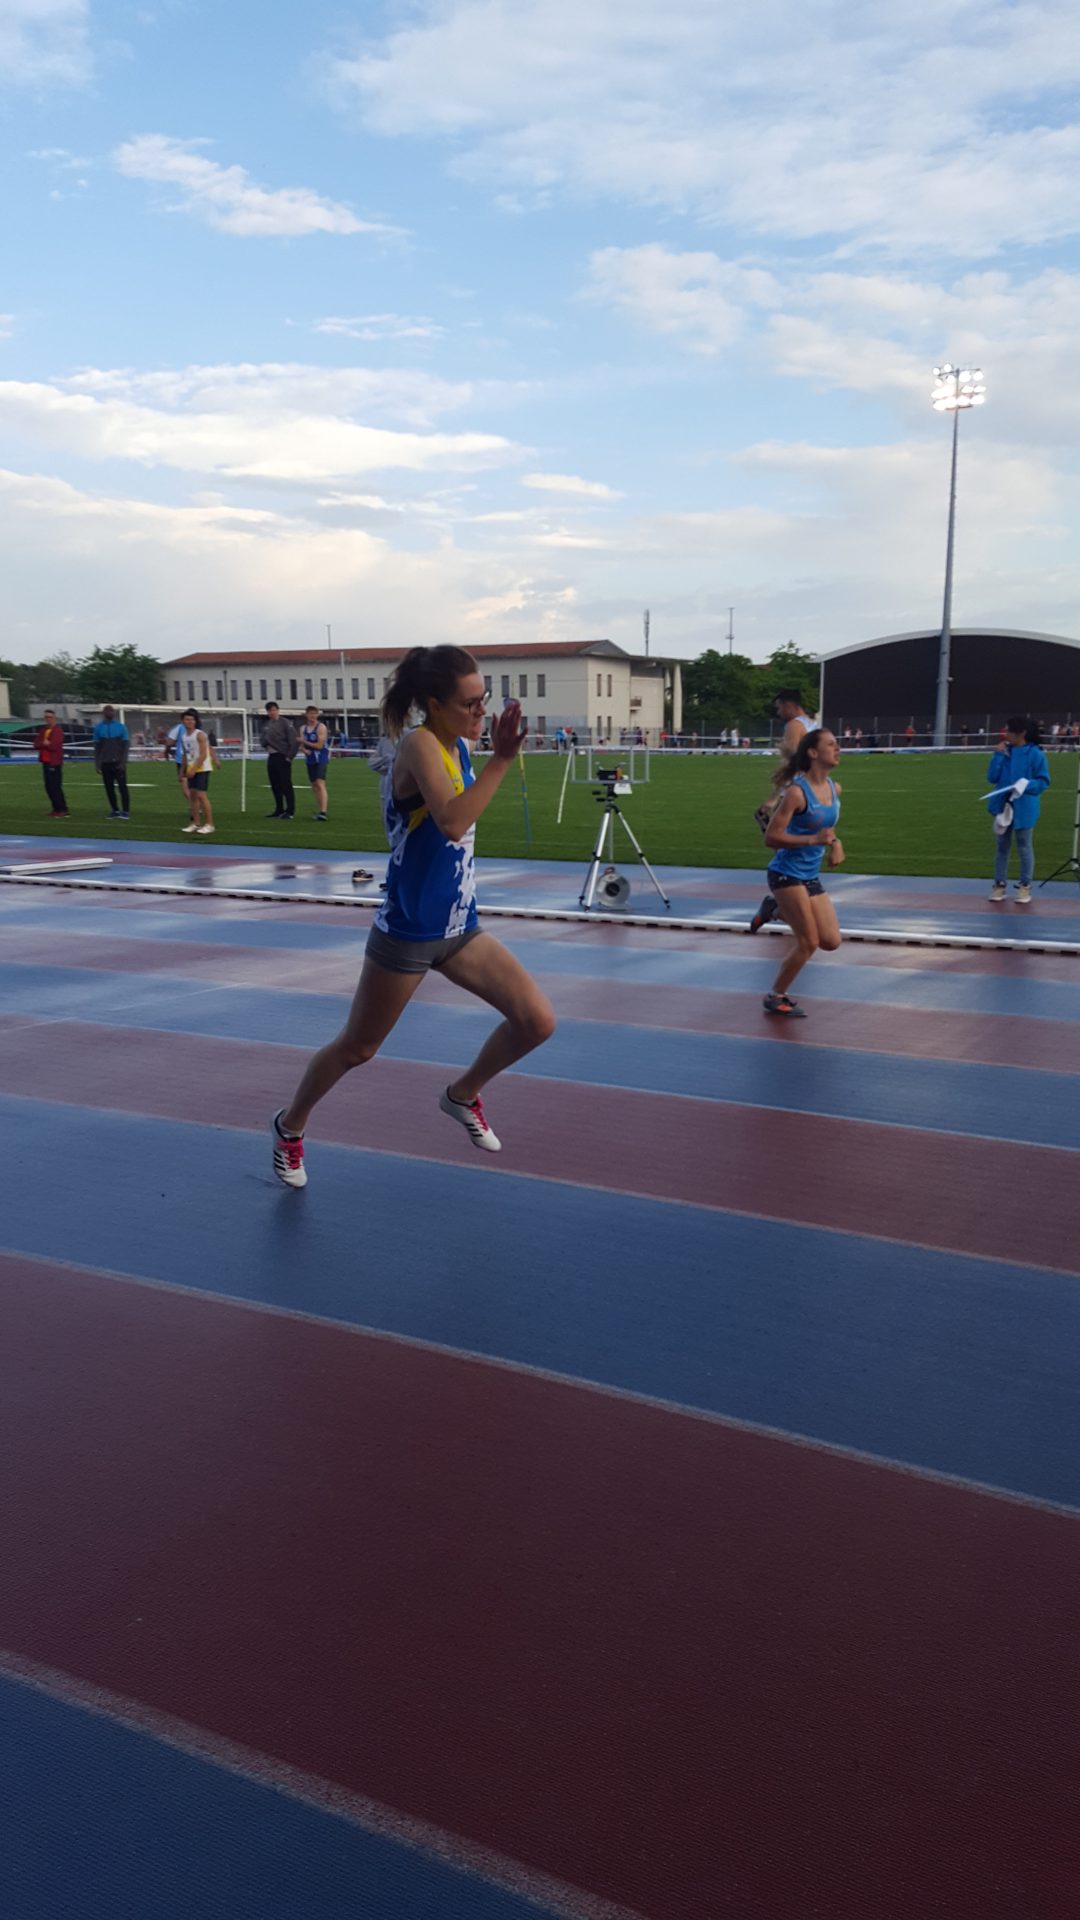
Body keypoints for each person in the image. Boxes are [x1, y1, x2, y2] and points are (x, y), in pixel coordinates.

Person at [270, 645, 556, 1188]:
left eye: (484, 699)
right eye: (469, 703)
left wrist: (488, 752)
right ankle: (289, 1126)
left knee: (536, 1021)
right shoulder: (419, 744)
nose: (480, 711)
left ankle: (461, 1095)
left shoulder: (458, 745)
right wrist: (501, 760)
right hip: (408, 930)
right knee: (358, 1048)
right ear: (433, 704)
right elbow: (451, 822)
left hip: (459, 927)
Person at [760, 728, 844, 1017]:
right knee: (808, 942)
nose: (838, 749)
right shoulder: (797, 793)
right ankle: (775, 995)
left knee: (831, 941)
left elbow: (827, 827)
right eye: (831, 744)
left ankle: (774, 909)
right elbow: (771, 837)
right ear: (813, 752)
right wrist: (813, 840)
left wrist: (835, 844)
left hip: (810, 876)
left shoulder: (834, 788)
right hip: (785, 874)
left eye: (837, 744)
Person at [749, 688, 815, 933]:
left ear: (788, 704)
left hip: (798, 798)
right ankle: (786, 904)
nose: (777, 713)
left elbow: (791, 767)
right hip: (810, 797)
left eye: (779, 707)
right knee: (797, 852)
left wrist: (772, 800)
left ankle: (779, 906)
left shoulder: (794, 727)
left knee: (789, 850)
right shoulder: (813, 724)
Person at [986, 717, 1050, 904]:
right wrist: (998, 756)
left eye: (1009, 730)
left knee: (1024, 845)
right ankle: (999, 885)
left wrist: (1026, 785)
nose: (1006, 734)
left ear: (1021, 733)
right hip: (1003, 805)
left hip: (1025, 807)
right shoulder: (1005, 752)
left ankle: (1025, 886)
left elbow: (1043, 781)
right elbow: (992, 777)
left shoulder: (1035, 754)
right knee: (1001, 846)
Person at [178, 709, 219, 835]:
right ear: (183, 721)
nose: (190, 722)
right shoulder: (184, 737)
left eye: (192, 719)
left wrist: (194, 769)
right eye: (187, 719)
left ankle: (210, 824)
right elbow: (185, 754)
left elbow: (203, 754)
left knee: (202, 795)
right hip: (191, 768)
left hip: (202, 768)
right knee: (193, 796)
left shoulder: (200, 735)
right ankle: (195, 823)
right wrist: (182, 771)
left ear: (195, 721)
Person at [261, 701, 298, 819]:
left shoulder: (285, 723)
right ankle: (279, 809)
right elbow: (263, 740)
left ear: (277, 710)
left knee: (286, 784)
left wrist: (289, 756)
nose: (272, 712)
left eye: (273, 710)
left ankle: (290, 811)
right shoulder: (267, 725)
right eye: (269, 710)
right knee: (275, 784)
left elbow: (293, 741)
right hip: (272, 756)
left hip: (283, 756)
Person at [93, 704, 131, 818]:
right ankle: (114, 810)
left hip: (118, 763)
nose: (110, 713)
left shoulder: (121, 727)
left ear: (114, 713)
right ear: (104, 713)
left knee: (122, 788)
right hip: (105, 763)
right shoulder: (99, 728)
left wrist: (123, 762)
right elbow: (97, 748)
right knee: (109, 788)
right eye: (107, 711)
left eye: (111, 711)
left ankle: (125, 811)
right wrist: (97, 764)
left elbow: (125, 747)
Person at [300, 704, 331, 819]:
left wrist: (304, 742)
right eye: (310, 714)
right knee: (314, 785)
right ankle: (320, 809)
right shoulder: (303, 729)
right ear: (306, 715)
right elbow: (301, 746)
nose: (312, 716)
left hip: (320, 758)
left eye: (314, 713)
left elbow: (319, 745)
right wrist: (304, 750)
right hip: (310, 759)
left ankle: (323, 812)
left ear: (317, 715)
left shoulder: (321, 727)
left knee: (320, 783)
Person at [35, 709, 68, 817]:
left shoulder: (57, 731)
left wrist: (45, 744)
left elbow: (54, 746)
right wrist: (45, 743)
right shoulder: (43, 731)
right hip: (45, 761)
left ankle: (62, 809)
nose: (48, 719)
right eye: (46, 717)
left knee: (55, 786)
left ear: (54, 718)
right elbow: (36, 744)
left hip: (54, 762)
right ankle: (56, 808)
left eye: (50, 717)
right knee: (48, 786)